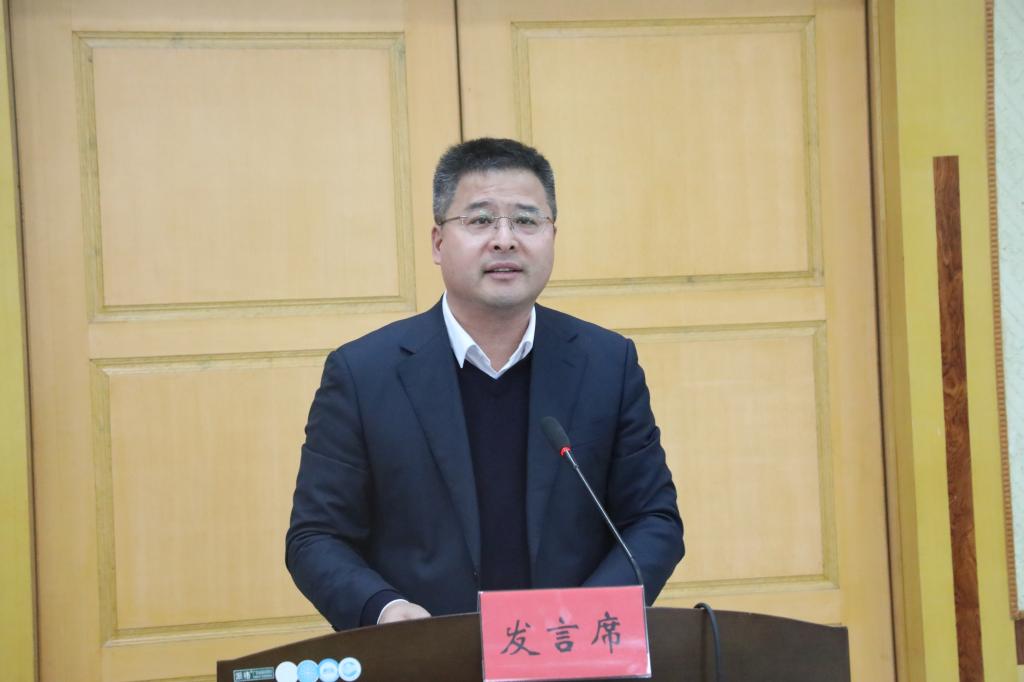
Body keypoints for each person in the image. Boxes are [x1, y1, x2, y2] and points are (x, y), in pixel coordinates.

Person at [286, 138, 684, 631]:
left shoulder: (607, 364)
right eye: (480, 220)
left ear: (552, 236)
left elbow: (653, 521)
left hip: (571, 651)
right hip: (426, 652)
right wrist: (384, 609)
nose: (504, 240)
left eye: (526, 221)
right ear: (438, 243)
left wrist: (585, 616)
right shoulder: (363, 374)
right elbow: (316, 537)